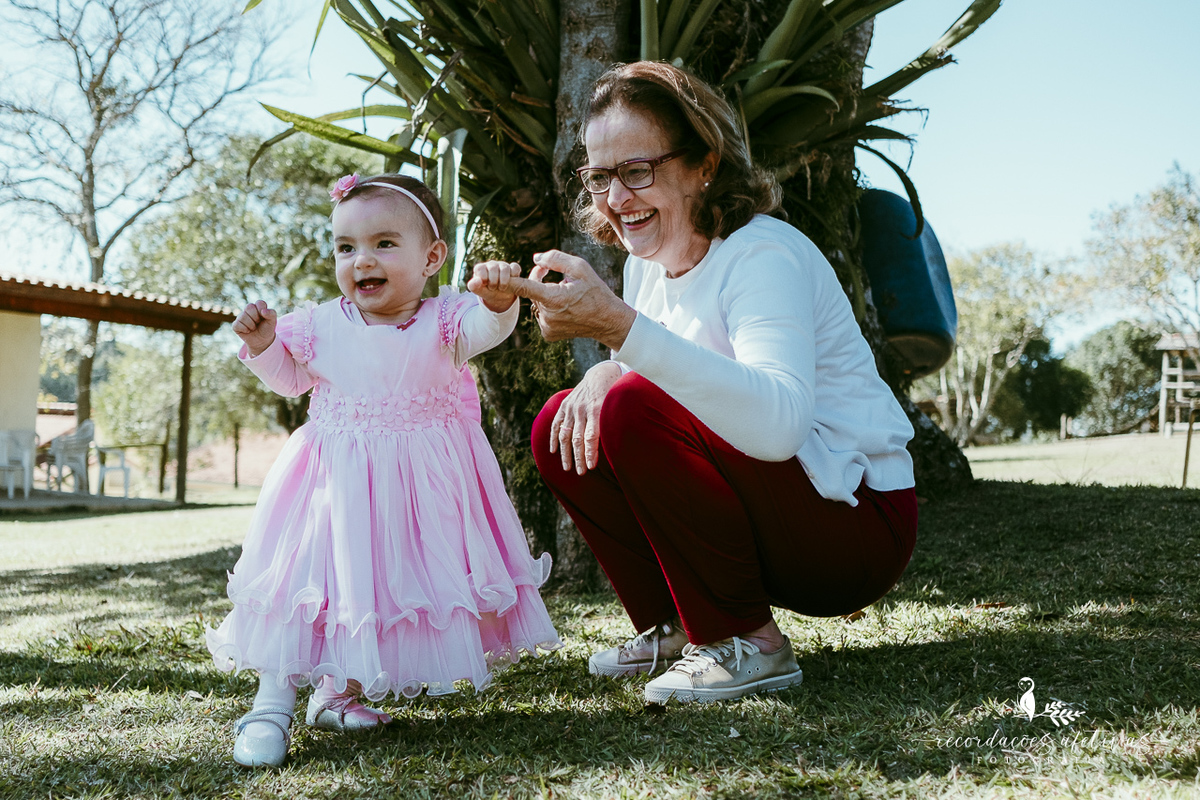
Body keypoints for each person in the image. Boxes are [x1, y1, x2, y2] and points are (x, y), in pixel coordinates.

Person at [507, 61, 918, 704]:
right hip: (786, 511)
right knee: (562, 418)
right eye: (599, 178)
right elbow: (668, 368)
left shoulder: (762, 255)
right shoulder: (651, 264)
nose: (616, 199)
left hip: (854, 525)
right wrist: (610, 365)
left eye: (637, 171)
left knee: (630, 405)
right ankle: (675, 627)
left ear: (704, 163)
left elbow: (777, 425)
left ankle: (750, 642)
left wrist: (617, 330)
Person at [206, 173, 561, 767]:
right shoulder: (319, 324)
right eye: (346, 248)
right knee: (307, 590)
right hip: (331, 488)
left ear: (432, 258)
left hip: (414, 496)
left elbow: (485, 332)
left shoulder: (446, 320)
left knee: (369, 591)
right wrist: (267, 344)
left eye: (384, 244)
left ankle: (335, 693)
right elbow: (292, 379)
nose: (361, 261)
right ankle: (271, 704)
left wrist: (500, 305)